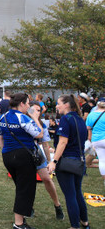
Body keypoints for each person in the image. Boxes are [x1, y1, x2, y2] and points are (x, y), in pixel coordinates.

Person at [0, 93, 43, 229]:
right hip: (23, 156)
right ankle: (19, 223)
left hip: (8, 155)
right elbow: (39, 134)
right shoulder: (22, 118)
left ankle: (21, 217)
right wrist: (35, 117)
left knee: (21, 186)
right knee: (25, 188)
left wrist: (5, 150)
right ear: (21, 103)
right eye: (27, 103)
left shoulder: (2, 117)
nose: (29, 106)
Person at [47, 95, 90, 229]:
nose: (56, 106)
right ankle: (85, 222)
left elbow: (63, 142)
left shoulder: (66, 119)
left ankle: (74, 226)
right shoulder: (80, 119)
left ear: (66, 105)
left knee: (71, 195)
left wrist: (54, 161)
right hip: (79, 161)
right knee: (77, 192)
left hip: (67, 162)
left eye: (58, 103)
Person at [27, 102, 64, 220]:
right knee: (28, 182)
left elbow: (45, 144)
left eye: (39, 110)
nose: (38, 112)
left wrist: (50, 161)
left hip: (37, 154)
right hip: (26, 154)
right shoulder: (24, 121)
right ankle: (29, 207)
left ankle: (57, 205)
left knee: (47, 179)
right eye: (35, 110)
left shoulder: (41, 124)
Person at [86, 98, 105, 189]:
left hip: (96, 139)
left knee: (102, 160)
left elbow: (88, 128)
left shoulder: (91, 114)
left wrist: (90, 139)